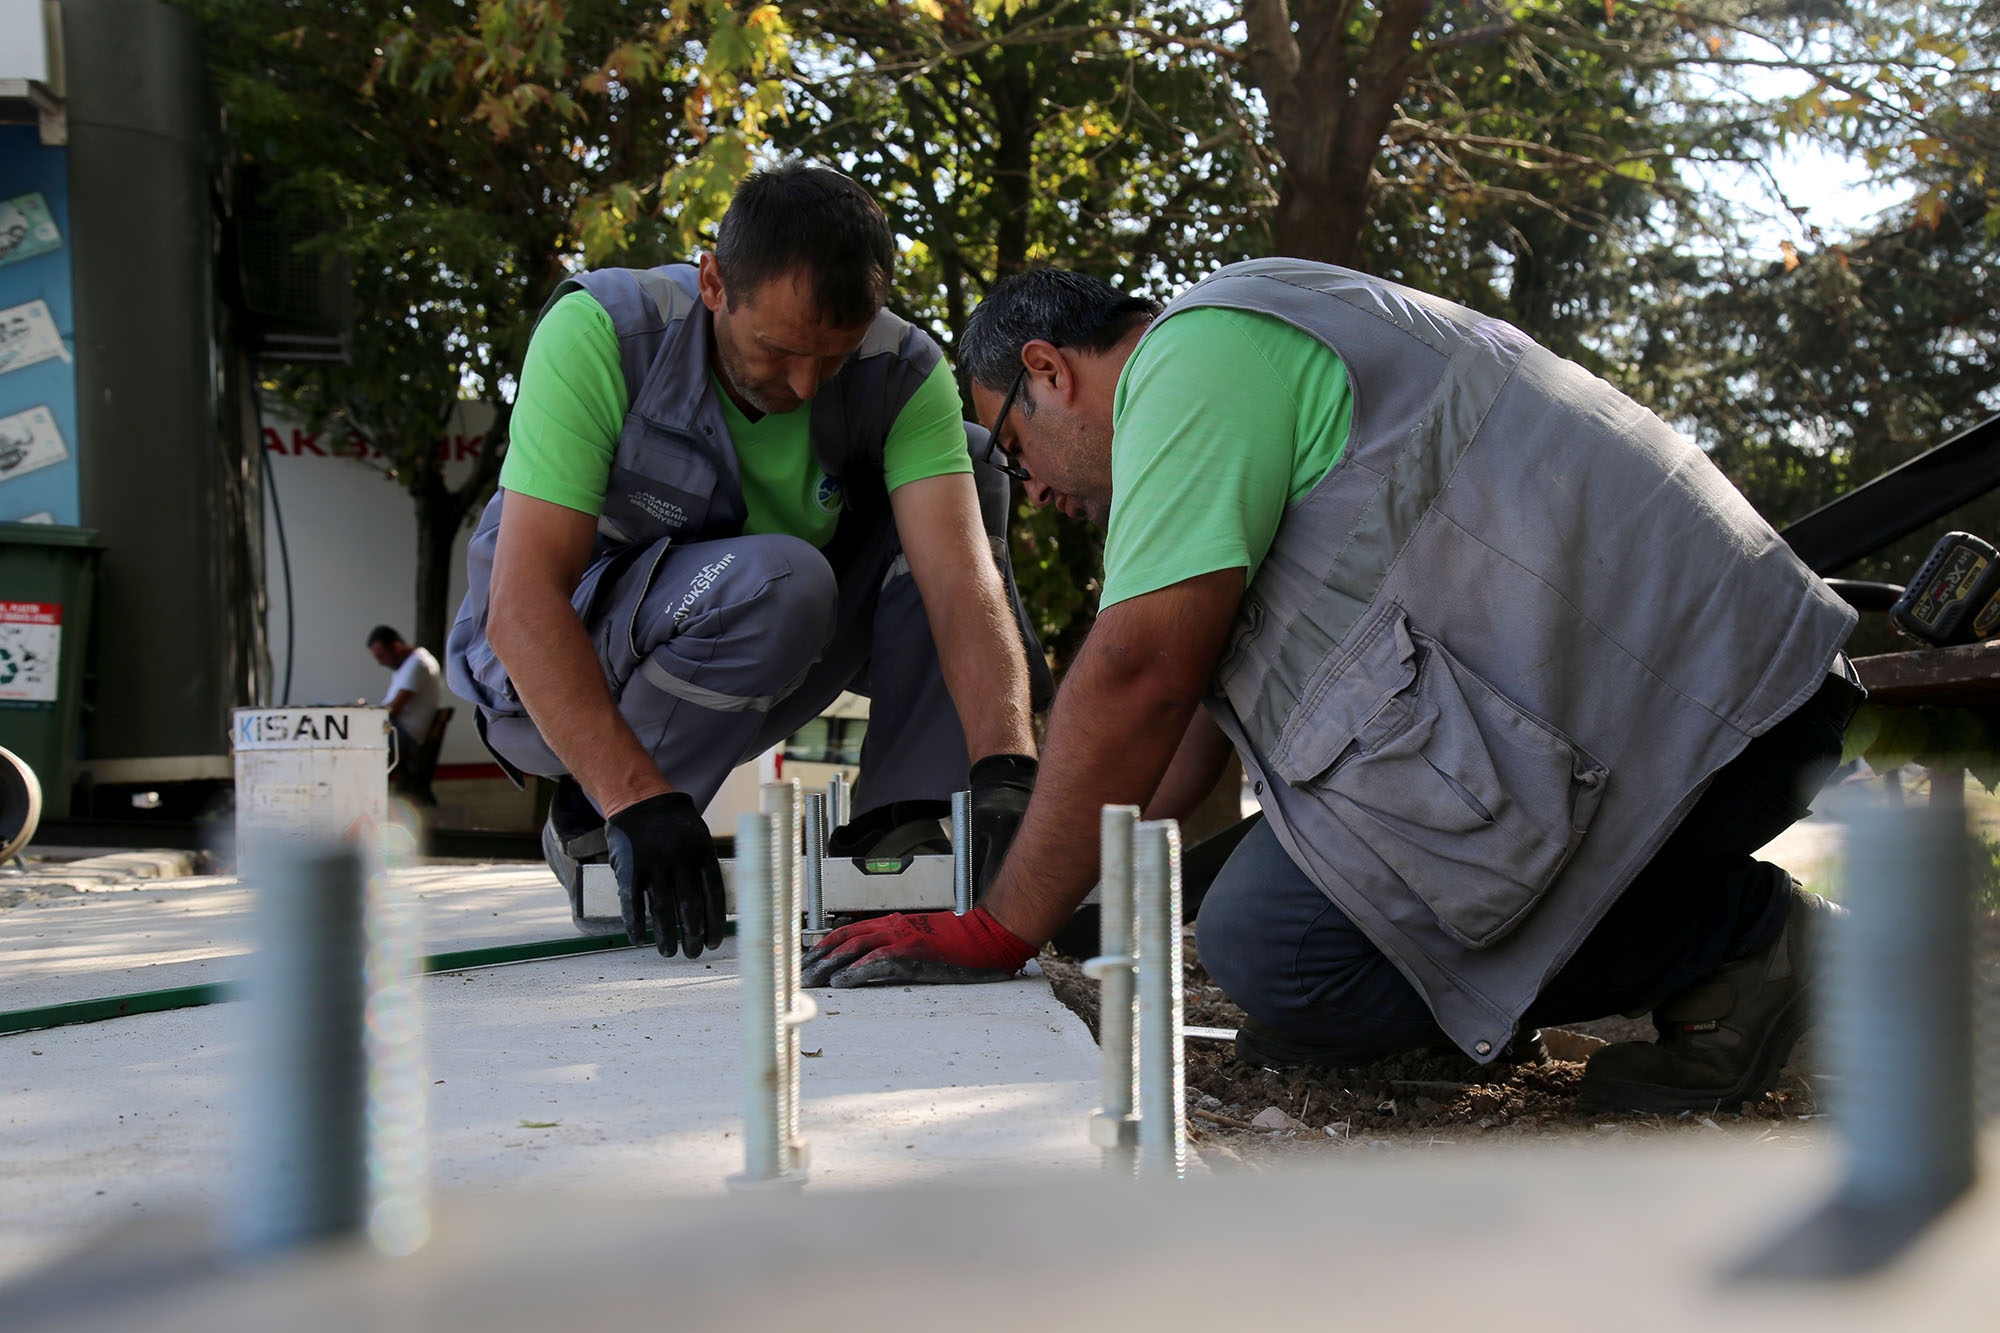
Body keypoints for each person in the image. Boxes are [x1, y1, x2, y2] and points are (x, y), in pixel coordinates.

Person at [801, 260, 1863, 1113]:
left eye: (1012, 445)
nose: (1027, 489)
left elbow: (1137, 676)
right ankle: (1699, 960)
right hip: (1703, 701)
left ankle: (1749, 941)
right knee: (1283, 952)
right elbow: (1170, 768)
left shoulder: (1192, 357)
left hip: (1715, 711)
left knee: (1282, 952)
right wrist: (1047, 883)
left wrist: (998, 928)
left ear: (1048, 367)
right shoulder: (1232, 380)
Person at [445, 164, 1046, 961]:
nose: (802, 385)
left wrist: (1006, 768)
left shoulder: (903, 372)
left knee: (968, 466)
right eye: (780, 350)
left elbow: (962, 588)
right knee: (782, 578)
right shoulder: (606, 332)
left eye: (831, 360)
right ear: (715, 280)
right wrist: (639, 801)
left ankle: (892, 824)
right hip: (548, 685)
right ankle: (595, 819)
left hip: (758, 638)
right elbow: (521, 604)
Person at [367, 625, 442, 755]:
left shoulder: (418, 663)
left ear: (396, 647)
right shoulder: (407, 664)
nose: (380, 663)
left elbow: (393, 710)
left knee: (353, 736)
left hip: (403, 735)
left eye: (381, 656)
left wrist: (364, 715)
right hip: (396, 730)